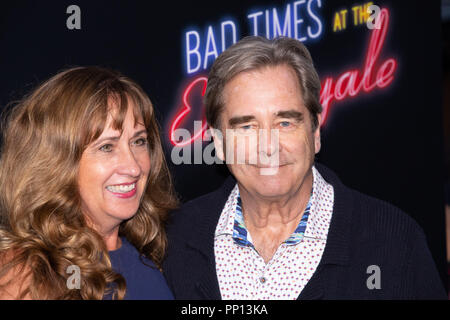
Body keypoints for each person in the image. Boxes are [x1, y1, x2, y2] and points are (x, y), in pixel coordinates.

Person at [163, 36, 447, 299]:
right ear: (220, 143)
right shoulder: (174, 240)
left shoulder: (393, 242)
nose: (269, 147)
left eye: (285, 123)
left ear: (315, 132)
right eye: (247, 126)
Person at [0, 66, 177, 299]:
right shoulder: (25, 273)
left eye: (139, 141)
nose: (134, 167)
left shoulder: (155, 259)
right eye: (107, 147)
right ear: (57, 162)